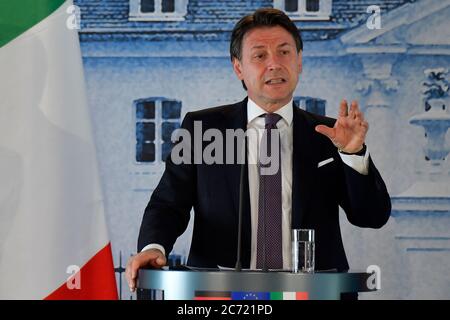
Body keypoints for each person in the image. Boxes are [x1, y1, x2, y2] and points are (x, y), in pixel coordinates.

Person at [126, 8, 391, 294]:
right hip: (221, 294)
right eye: (260, 55)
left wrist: (353, 153)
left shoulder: (331, 135)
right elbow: (168, 203)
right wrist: (153, 246)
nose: (274, 64)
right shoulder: (202, 129)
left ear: (300, 61)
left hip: (312, 292)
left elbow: (371, 217)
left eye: (284, 52)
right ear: (238, 67)